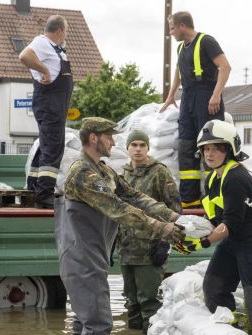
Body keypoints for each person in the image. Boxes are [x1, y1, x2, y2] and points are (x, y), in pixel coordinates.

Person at [57, 117, 185, 335]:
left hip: (93, 257)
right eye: (109, 137)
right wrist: (161, 228)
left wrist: (171, 215)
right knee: (99, 325)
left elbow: (132, 195)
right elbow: (118, 207)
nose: (114, 143)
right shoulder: (83, 174)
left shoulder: (102, 170)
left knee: (84, 322)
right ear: (93, 138)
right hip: (82, 259)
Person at [174, 119, 252, 334]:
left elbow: (231, 223)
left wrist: (202, 242)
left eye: (216, 148)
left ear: (230, 149)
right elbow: (217, 219)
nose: (209, 154)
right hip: (234, 241)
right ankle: (233, 328)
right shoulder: (214, 178)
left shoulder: (235, 177)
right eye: (205, 149)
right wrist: (190, 233)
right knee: (213, 287)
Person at [161, 11, 231, 209]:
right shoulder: (181, 48)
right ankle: (190, 199)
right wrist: (170, 96)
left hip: (206, 97)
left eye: (172, 28)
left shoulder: (206, 41)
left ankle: (215, 196)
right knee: (186, 146)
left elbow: (225, 67)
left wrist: (216, 94)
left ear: (183, 25)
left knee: (211, 146)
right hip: (188, 98)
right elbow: (179, 72)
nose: (171, 33)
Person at [117, 130, 182, 333]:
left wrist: (166, 243)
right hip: (127, 249)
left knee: (149, 303)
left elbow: (175, 209)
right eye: (134, 145)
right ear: (127, 148)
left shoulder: (158, 172)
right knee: (131, 302)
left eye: (142, 145)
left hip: (150, 249)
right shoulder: (123, 174)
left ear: (148, 148)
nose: (137, 149)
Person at [19, 14, 73, 208]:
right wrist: (45, 70)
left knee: (47, 145)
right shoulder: (42, 43)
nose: (66, 35)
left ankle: (34, 185)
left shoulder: (54, 49)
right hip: (50, 106)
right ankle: (44, 195)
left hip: (54, 107)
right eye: (65, 31)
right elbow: (24, 55)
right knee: (52, 149)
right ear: (59, 31)